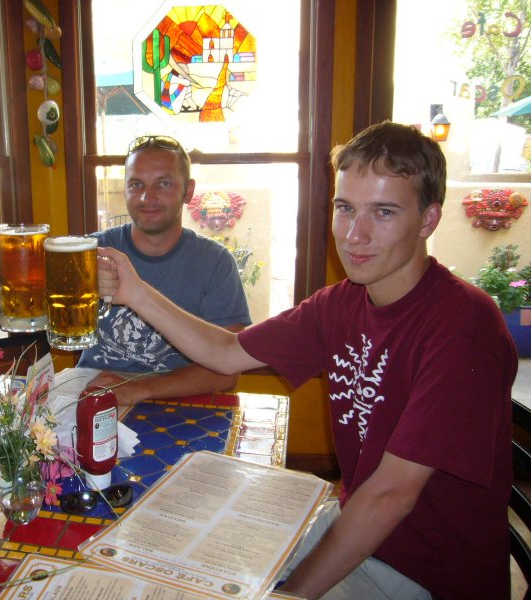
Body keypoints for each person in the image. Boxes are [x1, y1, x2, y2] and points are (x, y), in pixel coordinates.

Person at [97, 122, 515, 599]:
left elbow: (390, 497)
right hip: (360, 523)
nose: (354, 235)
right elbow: (226, 352)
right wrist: (135, 292)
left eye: (383, 212)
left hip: (428, 572)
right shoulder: (342, 303)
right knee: (183, 547)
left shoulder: (463, 328)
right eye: (345, 208)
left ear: (428, 219)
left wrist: (291, 595)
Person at [77, 135, 251, 405]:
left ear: (188, 191)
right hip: (94, 397)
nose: (147, 197)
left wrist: (139, 388)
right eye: (136, 184)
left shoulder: (216, 263)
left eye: (164, 183)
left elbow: (227, 373)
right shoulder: (90, 252)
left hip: (178, 403)